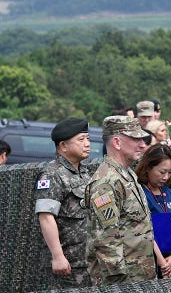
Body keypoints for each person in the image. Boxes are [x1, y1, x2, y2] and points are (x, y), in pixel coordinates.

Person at [85, 116, 155, 285]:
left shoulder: (126, 173)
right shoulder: (106, 182)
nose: (142, 145)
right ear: (117, 142)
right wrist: (120, 284)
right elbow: (106, 240)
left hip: (139, 275)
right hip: (123, 281)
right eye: (135, 139)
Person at [34, 118, 92, 288]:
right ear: (63, 146)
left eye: (88, 139)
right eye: (81, 140)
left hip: (87, 260)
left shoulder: (83, 171)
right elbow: (45, 217)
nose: (87, 144)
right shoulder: (52, 174)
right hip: (68, 263)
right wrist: (57, 256)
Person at [135, 144, 171, 278]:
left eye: (170, 172)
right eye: (162, 172)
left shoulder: (167, 192)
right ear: (148, 168)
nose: (166, 177)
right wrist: (162, 262)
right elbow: (145, 230)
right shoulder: (140, 193)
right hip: (152, 261)